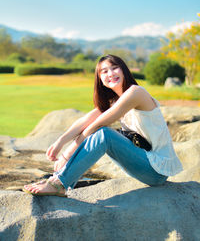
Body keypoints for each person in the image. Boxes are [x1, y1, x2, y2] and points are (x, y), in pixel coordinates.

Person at [23, 54, 183, 197]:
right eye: (104, 71)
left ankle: (59, 184)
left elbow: (97, 125)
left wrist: (67, 153)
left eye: (114, 68)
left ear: (124, 70)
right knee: (100, 131)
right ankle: (60, 181)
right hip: (142, 161)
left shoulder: (136, 92)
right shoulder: (114, 100)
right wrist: (60, 142)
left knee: (104, 134)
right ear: (99, 78)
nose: (110, 74)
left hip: (155, 169)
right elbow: (84, 121)